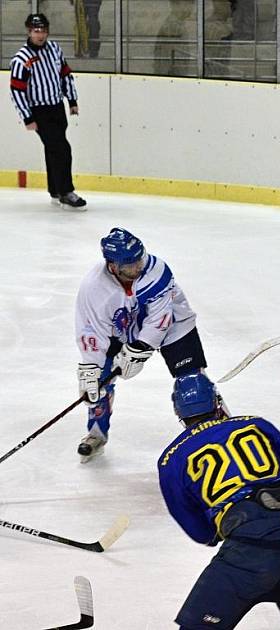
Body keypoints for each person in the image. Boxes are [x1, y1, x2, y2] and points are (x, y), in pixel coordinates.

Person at [159, 373, 280, 629]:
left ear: (179, 411)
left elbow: (200, 531)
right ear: (217, 402)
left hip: (248, 552)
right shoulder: (256, 424)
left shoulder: (172, 459)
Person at [75, 227, 208, 462]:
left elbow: (160, 319)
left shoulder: (156, 270)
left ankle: (214, 431)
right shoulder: (94, 288)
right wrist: (91, 368)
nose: (138, 267)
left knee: (193, 382)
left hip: (175, 325)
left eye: (139, 259)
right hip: (120, 331)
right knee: (99, 381)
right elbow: (92, 331)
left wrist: (140, 349)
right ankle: (95, 434)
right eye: (130, 265)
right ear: (113, 266)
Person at [9, 13, 87, 210]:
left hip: (56, 107)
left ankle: (55, 190)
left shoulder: (54, 49)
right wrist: (27, 117)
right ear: (29, 31)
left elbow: (65, 74)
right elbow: (17, 91)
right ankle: (66, 192)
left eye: (43, 30)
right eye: (36, 31)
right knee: (62, 149)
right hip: (39, 111)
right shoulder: (22, 59)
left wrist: (72, 99)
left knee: (53, 149)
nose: (40, 35)